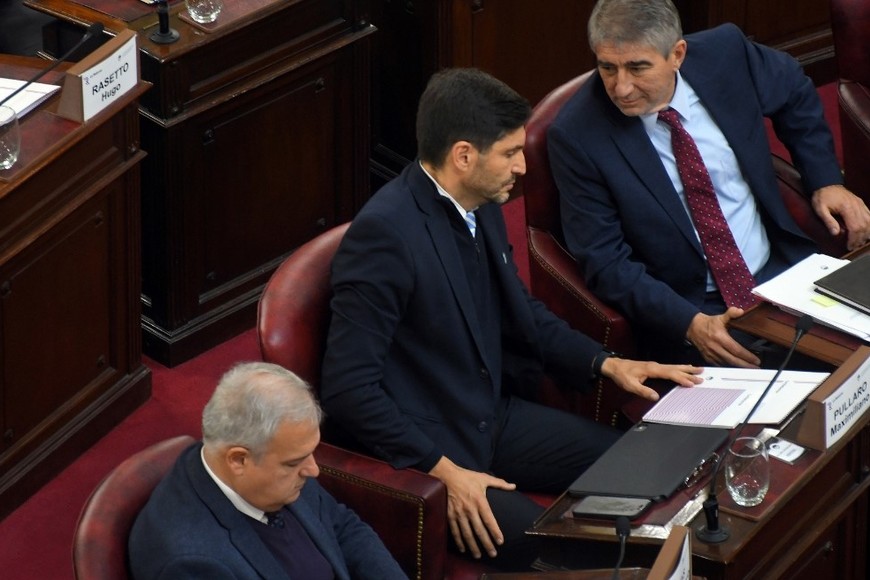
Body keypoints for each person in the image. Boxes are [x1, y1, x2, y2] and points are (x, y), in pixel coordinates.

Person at [319, 67, 703, 571]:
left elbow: (522, 314)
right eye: (510, 153)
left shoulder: (482, 199)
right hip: (436, 446)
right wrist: (442, 471)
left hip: (492, 415)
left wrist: (608, 365)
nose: (522, 166)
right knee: (548, 545)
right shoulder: (384, 239)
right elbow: (347, 388)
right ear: (463, 155)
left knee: (637, 465)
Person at [549, 0, 870, 368]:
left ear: (677, 54)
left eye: (637, 68)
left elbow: (794, 90)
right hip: (695, 309)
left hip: (779, 273)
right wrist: (689, 324)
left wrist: (826, 181)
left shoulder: (725, 53)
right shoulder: (578, 135)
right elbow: (605, 262)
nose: (621, 88)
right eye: (607, 67)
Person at [128, 361, 407, 580]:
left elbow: (341, 526)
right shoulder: (190, 563)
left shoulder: (272, 456)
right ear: (238, 460)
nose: (313, 470)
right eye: (295, 462)